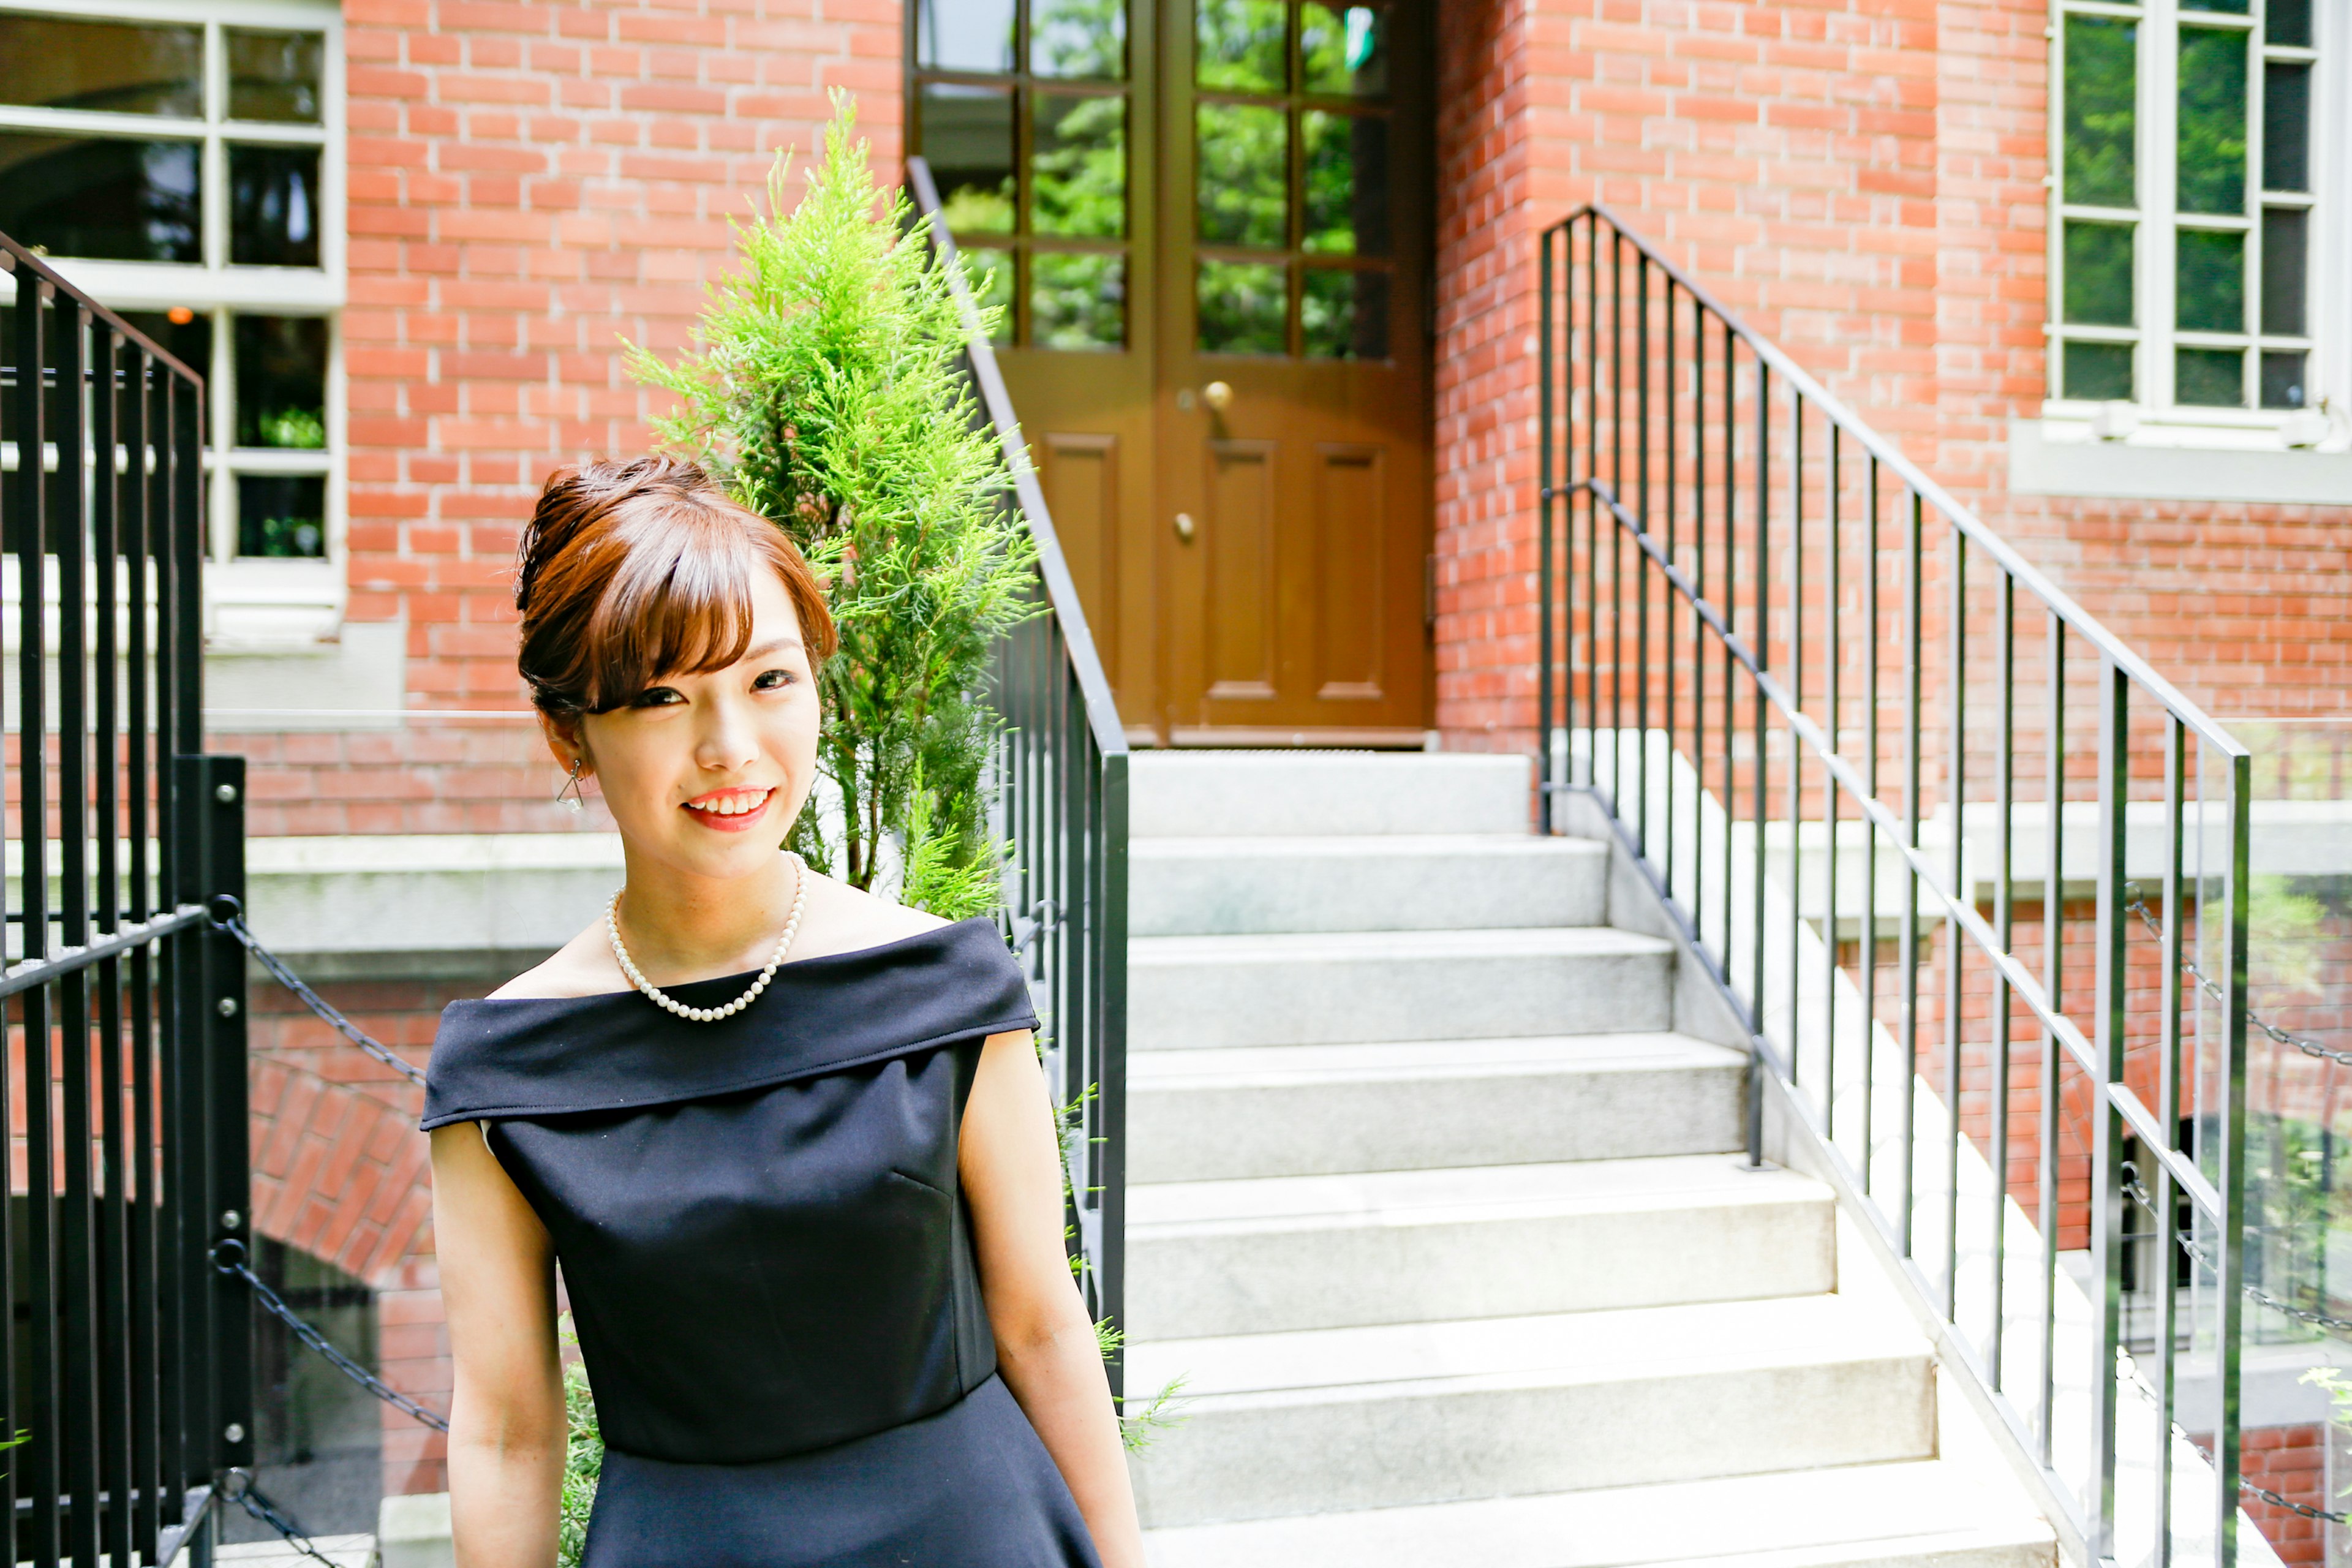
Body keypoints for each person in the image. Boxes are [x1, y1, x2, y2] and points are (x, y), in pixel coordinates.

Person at [420, 456, 1146, 1568]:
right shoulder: (507, 1069)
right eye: (664, 697)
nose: (730, 748)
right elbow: (510, 1433)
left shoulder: (947, 992)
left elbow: (1044, 1325)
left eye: (770, 681)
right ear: (570, 735)